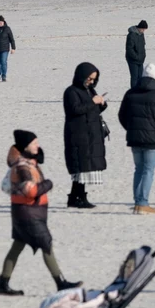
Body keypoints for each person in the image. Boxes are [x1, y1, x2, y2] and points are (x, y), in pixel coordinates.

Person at [0, 130, 82, 296]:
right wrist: (48, 184)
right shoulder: (22, 167)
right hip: (29, 214)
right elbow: (30, 191)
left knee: (17, 247)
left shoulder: (27, 163)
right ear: (26, 146)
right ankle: (60, 283)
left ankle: (2, 284)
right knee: (45, 244)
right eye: (34, 143)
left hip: (26, 213)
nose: (38, 146)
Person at [118, 63, 155, 214]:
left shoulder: (130, 93)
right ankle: (142, 202)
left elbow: (122, 115)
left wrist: (131, 129)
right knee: (148, 171)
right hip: (153, 140)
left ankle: (137, 202)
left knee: (139, 169)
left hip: (135, 138)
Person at [63, 62, 107, 209]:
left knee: (83, 168)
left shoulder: (90, 90)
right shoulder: (71, 92)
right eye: (89, 78)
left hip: (90, 134)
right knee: (80, 168)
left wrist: (101, 103)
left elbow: (92, 111)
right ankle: (78, 197)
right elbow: (75, 110)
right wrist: (92, 102)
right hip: (78, 134)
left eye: (94, 79)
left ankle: (77, 197)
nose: (91, 81)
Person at [125, 20, 147, 89]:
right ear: (139, 27)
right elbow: (129, 49)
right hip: (132, 60)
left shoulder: (141, 35)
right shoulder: (131, 35)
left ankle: (139, 91)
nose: (143, 31)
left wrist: (143, 56)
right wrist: (136, 57)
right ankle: (134, 92)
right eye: (143, 29)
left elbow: (143, 46)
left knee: (140, 77)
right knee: (134, 77)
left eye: (145, 29)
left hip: (140, 59)